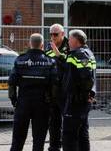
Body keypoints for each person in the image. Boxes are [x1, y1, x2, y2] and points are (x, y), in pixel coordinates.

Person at [8, 33, 57, 151]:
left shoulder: (20, 60)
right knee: (39, 141)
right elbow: (54, 85)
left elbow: (11, 83)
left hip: (23, 103)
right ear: (42, 45)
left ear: (30, 44)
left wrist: (15, 101)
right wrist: (51, 102)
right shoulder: (50, 61)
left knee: (17, 140)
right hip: (42, 104)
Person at [61, 29, 96, 151]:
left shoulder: (80, 54)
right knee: (82, 133)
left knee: (69, 135)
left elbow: (87, 77)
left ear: (76, 41)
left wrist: (84, 95)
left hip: (76, 102)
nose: (68, 42)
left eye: (70, 39)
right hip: (80, 101)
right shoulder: (86, 52)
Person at [45, 23, 70, 151]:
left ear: (62, 34)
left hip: (66, 92)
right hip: (53, 92)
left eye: (56, 34)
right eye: (51, 34)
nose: (53, 37)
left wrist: (58, 54)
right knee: (53, 122)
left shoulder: (70, 47)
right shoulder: (48, 50)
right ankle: (54, 147)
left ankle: (67, 146)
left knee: (67, 122)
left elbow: (70, 67)